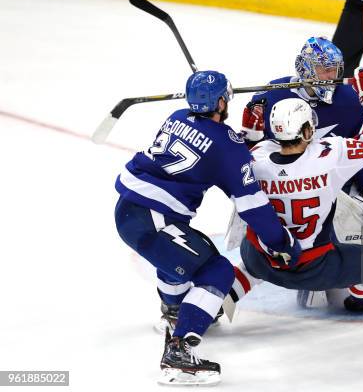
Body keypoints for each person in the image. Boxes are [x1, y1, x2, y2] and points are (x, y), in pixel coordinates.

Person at [114, 70, 300, 385]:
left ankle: (174, 311)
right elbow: (252, 205)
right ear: (222, 101)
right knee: (216, 272)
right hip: (152, 218)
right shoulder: (228, 148)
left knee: (180, 258)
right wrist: (280, 241)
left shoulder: (177, 116)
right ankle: (180, 352)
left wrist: (238, 143)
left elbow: (207, 142)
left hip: (130, 209)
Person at [229, 67, 363, 318]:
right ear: (309, 130)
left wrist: (248, 136)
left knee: (246, 267)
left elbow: (232, 159)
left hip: (264, 258)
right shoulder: (329, 156)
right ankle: (362, 301)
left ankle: (203, 308)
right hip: (315, 265)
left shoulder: (257, 158)